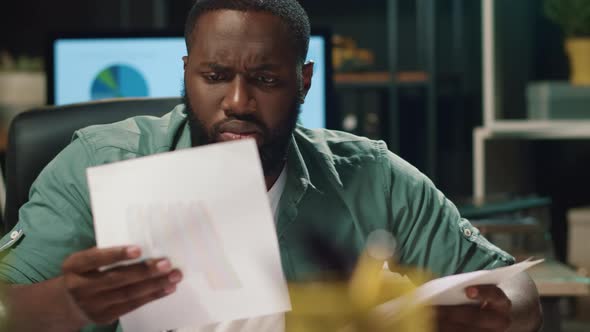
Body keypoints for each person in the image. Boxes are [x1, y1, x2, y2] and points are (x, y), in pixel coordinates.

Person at [0, 0, 542, 331]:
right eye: (214, 76)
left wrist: (495, 314)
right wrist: (68, 302)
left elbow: (515, 290)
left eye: (265, 80)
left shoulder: (369, 174)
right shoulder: (100, 163)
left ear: (304, 80)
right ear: (187, 73)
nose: (237, 102)